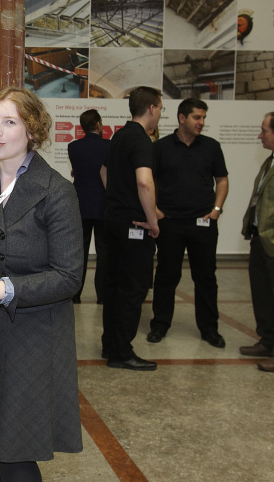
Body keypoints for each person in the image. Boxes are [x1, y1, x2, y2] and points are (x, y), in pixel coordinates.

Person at [0, 87, 83, 481]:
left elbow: (69, 276)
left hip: (33, 335)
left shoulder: (56, 191)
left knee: (15, 450)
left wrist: (2, 288)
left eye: (10, 122)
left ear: (32, 129)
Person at [147, 98, 228, 348]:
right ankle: (160, 325)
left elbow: (222, 180)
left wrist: (216, 210)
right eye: (197, 117)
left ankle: (209, 329)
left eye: (203, 118)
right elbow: (147, 179)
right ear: (182, 118)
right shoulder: (160, 147)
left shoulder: (212, 147)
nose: (201, 122)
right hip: (170, 223)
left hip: (203, 224)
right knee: (166, 276)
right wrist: (155, 209)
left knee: (205, 278)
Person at [100, 86, 161, 371]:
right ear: (152, 108)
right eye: (160, 108)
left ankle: (110, 345)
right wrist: (152, 220)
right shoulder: (142, 140)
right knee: (132, 290)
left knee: (113, 287)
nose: (160, 114)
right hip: (134, 227)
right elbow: (145, 182)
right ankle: (122, 352)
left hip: (113, 221)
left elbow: (103, 171)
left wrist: (117, 199)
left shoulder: (119, 135)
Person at [241, 111, 274, 372]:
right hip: (259, 240)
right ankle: (268, 340)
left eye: (265, 130)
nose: (260, 135)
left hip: (271, 240)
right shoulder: (269, 162)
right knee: (262, 295)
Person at [68, 109, 109, 304]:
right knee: (103, 252)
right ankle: (102, 296)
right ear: (99, 124)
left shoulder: (73, 147)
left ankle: (75, 295)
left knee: (80, 252)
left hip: (81, 204)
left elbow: (78, 170)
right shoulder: (108, 145)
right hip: (103, 204)